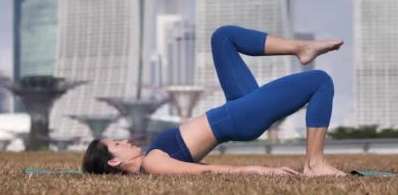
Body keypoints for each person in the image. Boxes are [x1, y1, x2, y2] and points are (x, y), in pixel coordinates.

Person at [82, 25, 346, 176]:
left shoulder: (152, 160)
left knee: (223, 37)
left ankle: (299, 48)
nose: (125, 141)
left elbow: (198, 167)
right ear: (114, 161)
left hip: (235, 109)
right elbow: (206, 173)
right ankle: (315, 164)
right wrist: (259, 170)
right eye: (117, 144)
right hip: (239, 119)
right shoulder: (151, 163)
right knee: (319, 81)